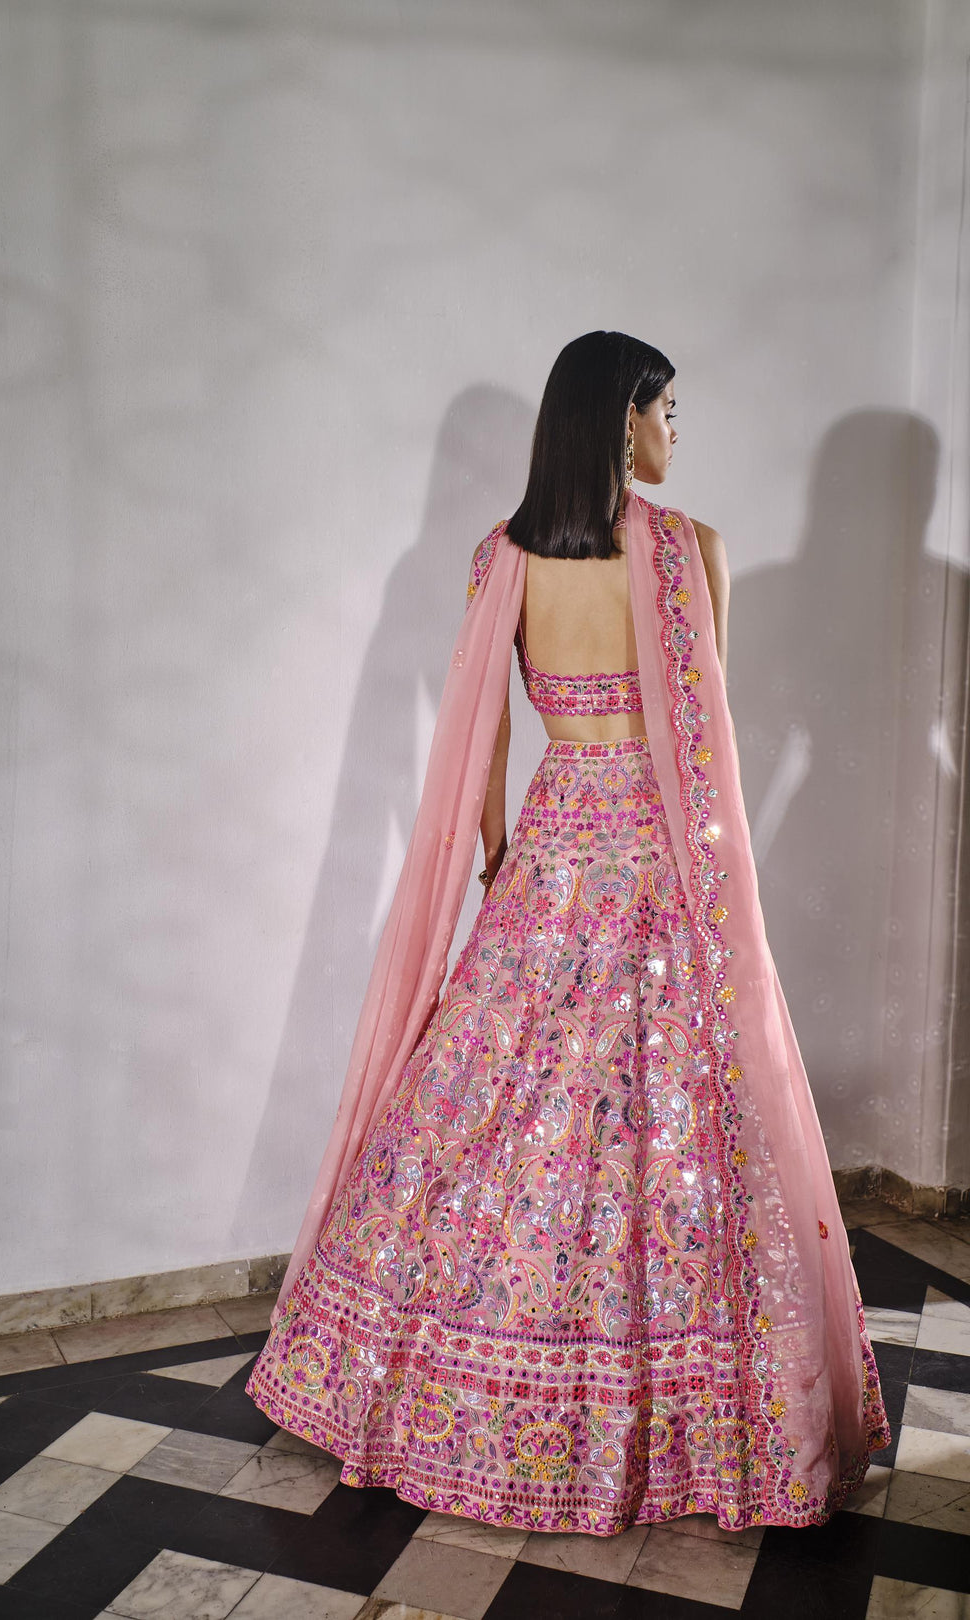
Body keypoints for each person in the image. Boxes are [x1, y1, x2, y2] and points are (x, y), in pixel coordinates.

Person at [246, 330, 890, 1537]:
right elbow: (705, 744)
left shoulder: (501, 559)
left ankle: (442, 1382)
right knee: (660, 1122)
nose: (674, 431)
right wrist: (720, 901)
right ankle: (686, 1408)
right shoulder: (690, 550)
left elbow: (483, 736)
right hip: (656, 864)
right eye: (666, 410)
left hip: (549, 852)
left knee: (497, 1112)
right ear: (621, 420)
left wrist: (499, 856)